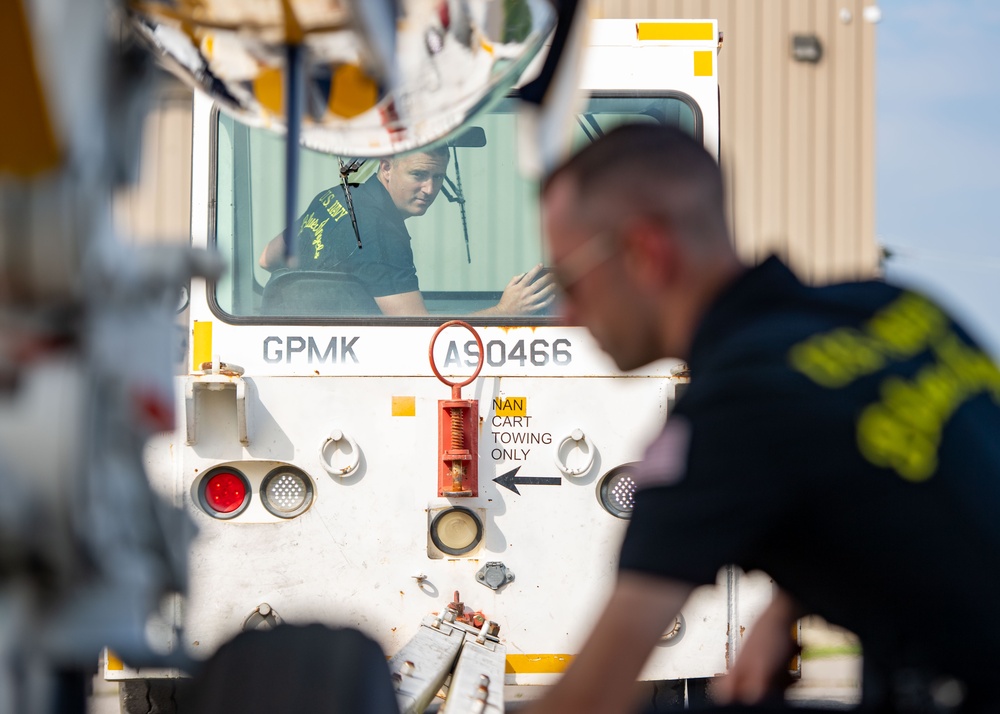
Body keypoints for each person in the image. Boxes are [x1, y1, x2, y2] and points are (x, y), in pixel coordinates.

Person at [523, 123, 1000, 714]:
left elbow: (591, 700)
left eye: (569, 281)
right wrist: (781, 614)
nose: (565, 316)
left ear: (646, 253)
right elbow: (896, 483)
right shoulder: (898, 308)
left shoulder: (730, 418)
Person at [259, 146, 554, 316]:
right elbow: (419, 333)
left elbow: (267, 259)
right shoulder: (382, 234)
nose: (430, 188)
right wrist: (504, 311)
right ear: (386, 167)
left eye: (438, 177)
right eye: (418, 175)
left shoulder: (337, 195)